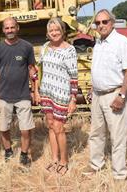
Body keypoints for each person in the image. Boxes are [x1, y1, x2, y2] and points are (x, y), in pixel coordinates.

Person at [82, 9, 127, 180]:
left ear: (112, 22)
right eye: (98, 23)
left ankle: (119, 174)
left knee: (117, 136)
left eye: (104, 22)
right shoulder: (99, 43)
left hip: (114, 94)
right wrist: (93, 89)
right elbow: (100, 69)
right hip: (97, 95)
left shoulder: (122, 42)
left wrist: (122, 96)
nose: (101, 25)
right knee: (96, 133)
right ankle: (96, 165)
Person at [0, 17, 37, 167]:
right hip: (4, 95)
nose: (9, 30)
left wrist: (35, 91)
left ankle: (24, 154)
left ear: (17, 28)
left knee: (25, 129)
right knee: (4, 127)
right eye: (7, 28)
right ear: (3, 30)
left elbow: (32, 69)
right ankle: (8, 150)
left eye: (12, 27)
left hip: (23, 94)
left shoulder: (27, 47)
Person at [35, 18, 78, 175]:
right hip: (47, 92)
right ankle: (54, 159)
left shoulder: (69, 50)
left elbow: (73, 76)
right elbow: (39, 70)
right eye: (51, 30)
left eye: (57, 29)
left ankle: (64, 161)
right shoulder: (45, 47)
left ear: (63, 31)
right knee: (51, 125)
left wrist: (73, 99)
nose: (54, 32)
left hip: (61, 94)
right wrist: (37, 90)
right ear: (47, 33)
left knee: (59, 128)